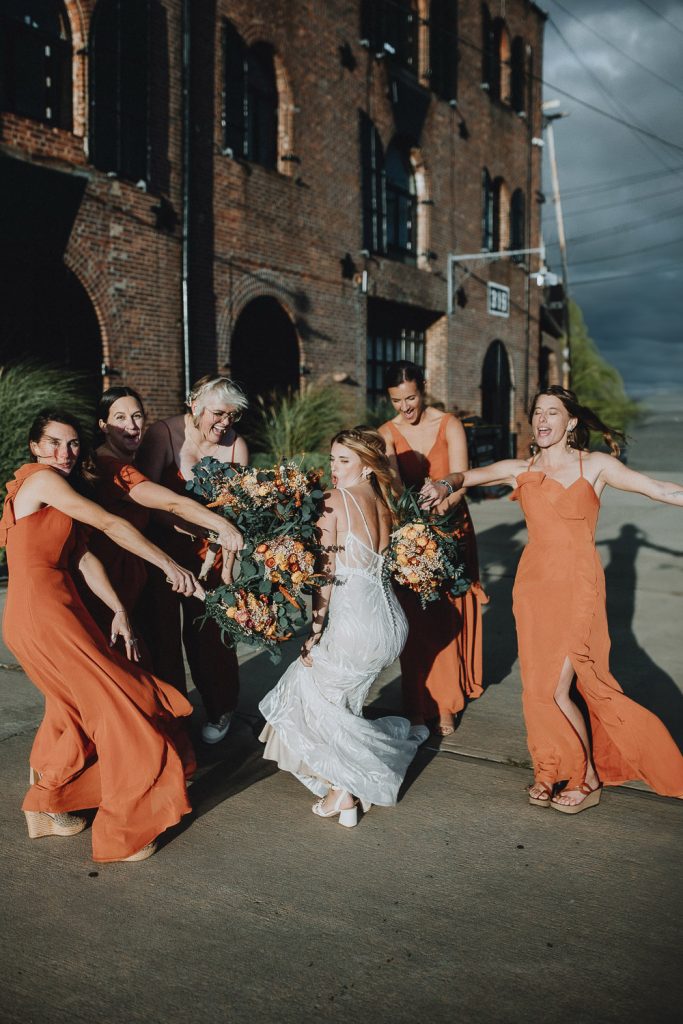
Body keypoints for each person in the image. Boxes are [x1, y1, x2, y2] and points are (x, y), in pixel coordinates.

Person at [421, 386, 683, 812]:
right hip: (533, 589)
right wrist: (441, 484)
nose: (542, 420)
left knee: (560, 690)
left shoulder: (594, 465)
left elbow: (660, 489)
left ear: (571, 422)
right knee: (537, 689)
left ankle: (587, 776)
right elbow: (466, 477)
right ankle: (548, 766)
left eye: (552, 413)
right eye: (537, 413)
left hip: (579, 586)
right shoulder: (520, 468)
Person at [1, 410, 204, 862]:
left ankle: (49, 807)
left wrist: (118, 611)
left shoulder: (56, 489)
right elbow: (111, 524)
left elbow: (84, 557)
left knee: (73, 709)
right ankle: (128, 829)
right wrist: (168, 564)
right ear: (35, 446)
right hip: (44, 615)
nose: (65, 453)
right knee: (119, 706)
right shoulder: (41, 481)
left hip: (55, 610)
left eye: (73, 444)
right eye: (54, 443)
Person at [259, 428, 428, 828]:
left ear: (368, 466)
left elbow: (325, 577)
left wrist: (315, 630)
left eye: (344, 461)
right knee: (340, 707)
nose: (333, 469)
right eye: (332, 459)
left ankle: (343, 792)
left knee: (305, 695)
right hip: (390, 627)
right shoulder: (386, 502)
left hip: (356, 628)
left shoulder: (333, 503)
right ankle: (344, 792)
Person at [85, 386, 243, 661]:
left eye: (136, 416)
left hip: (134, 570)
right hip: (112, 573)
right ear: (103, 425)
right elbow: (171, 503)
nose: (132, 426)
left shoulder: (125, 461)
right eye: (120, 418)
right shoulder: (112, 467)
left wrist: (211, 536)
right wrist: (223, 526)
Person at [137, 376, 249, 743]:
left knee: (211, 631)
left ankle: (220, 708)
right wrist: (189, 526)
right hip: (166, 547)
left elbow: (236, 513)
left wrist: (228, 569)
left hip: (214, 550)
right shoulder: (162, 434)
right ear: (195, 407)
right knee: (162, 631)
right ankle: (172, 714)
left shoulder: (237, 446)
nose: (225, 424)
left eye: (232, 417)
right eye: (218, 414)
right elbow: (146, 499)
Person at [378, 361, 487, 736]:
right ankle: (416, 704)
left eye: (411, 397)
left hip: (450, 529)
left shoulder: (449, 423)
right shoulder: (387, 433)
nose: (405, 407)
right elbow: (391, 488)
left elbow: (462, 481)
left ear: (423, 388)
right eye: (397, 401)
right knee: (415, 621)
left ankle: (445, 703)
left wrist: (438, 514)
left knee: (444, 617)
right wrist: (412, 526)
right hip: (411, 537)